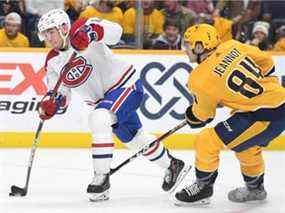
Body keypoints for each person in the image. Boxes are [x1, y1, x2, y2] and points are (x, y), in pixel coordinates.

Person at [37, 9, 190, 202]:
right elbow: (60, 95)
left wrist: (92, 32)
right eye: (44, 34)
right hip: (105, 102)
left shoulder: (84, 26)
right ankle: (172, 165)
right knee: (134, 139)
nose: (47, 38)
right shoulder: (52, 62)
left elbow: (116, 32)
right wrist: (53, 104)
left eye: (50, 32)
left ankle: (101, 179)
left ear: (63, 27)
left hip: (126, 86)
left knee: (98, 118)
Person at [174, 23, 285, 206]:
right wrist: (267, 87)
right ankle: (255, 188)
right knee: (245, 144)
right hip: (279, 102)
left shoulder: (199, 79)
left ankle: (203, 188)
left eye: (188, 44)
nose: (185, 48)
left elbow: (203, 116)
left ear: (200, 46)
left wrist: (191, 115)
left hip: (263, 115)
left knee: (206, 140)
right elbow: (266, 60)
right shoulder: (231, 45)